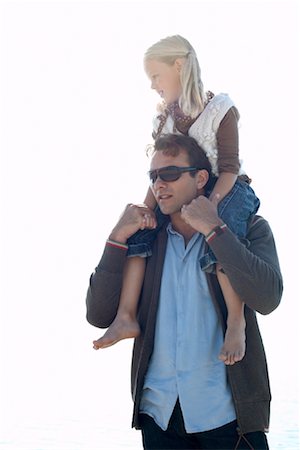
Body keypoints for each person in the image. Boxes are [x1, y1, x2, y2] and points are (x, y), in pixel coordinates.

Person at [86, 134, 282, 449]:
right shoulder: (144, 241)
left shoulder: (248, 228)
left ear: (201, 178)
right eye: (153, 176)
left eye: (170, 174)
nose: (158, 184)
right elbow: (98, 315)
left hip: (231, 421)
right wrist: (116, 237)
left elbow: (268, 298)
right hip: (159, 419)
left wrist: (216, 231)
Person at [92, 35, 260, 365]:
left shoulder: (220, 109)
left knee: (223, 233)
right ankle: (126, 316)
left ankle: (235, 321)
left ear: (178, 66)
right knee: (142, 232)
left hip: (224, 188)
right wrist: (146, 210)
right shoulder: (164, 119)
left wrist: (210, 206)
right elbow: (161, 173)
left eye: (155, 75)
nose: (153, 85)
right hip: (183, 192)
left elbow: (229, 166)